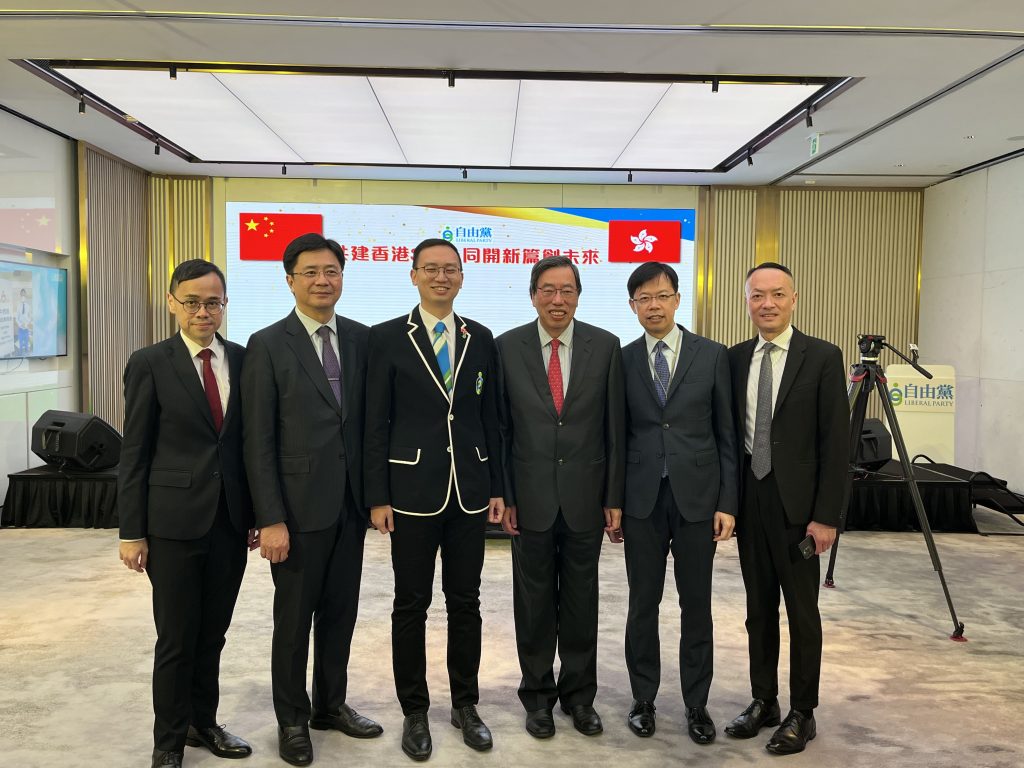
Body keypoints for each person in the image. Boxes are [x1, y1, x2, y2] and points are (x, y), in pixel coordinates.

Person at [241, 233, 381, 767]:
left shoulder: (363, 338)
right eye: (311, 272)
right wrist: (270, 518)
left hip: (350, 506)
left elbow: (370, 426)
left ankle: (330, 705)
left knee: (341, 614)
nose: (323, 281)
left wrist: (375, 497)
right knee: (294, 621)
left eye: (332, 271)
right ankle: (292, 719)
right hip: (296, 512)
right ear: (290, 280)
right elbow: (258, 440)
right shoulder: (267, 343)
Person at [364, 237, 505, 762]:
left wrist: (496, 486)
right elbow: (375, 422)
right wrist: (377, 495)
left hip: (469, 491)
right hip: (410, 493)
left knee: (466, 602)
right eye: (431, 269)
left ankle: (465, 704)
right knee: (411, 603)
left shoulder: (480, 337)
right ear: (414, 275)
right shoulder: (386, 338)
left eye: (450, 269)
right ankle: (415, 710)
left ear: (462, 276)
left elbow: (490, 417)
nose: (441, 277)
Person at [118, 259, 256, 768]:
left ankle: (204, 722)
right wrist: (131, 532)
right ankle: (168, 743)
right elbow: (135, 452)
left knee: (213, 634)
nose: (203, 312)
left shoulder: (243, 359)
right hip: (172, 524)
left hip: (230, 520)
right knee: (177, 638)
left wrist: (257, 511)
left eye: (213, 302)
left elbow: (247, 444)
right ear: (172, 302)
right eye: (193, 302)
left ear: (225, 304)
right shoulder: (150, 362)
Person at [496, 255, 625, 739]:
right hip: (528, 500)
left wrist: (613, 496)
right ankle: (537, 698)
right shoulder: (506, 347)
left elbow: (614, 429)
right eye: (548, 290)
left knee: (580, 602)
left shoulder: (605, 346)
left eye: (567, 290)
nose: (557, 299)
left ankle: (579, 697)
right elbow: (502, 430)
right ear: (533, 295)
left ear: (578, 296)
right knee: (533, 604)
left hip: (585, 499)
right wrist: (505, 495)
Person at [724, 262, 848, 755]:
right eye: (757, 295)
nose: (767, 303)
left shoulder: (822, 357)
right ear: (747, 302)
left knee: (801, 612)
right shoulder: (735, 359)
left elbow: (836, 444)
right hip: (750, 499)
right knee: (758, 609)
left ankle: (803, 711)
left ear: (794, 299)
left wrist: (827, 516)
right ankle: (764, 700)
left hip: (799, 508)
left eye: (777, 294)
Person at [620, 262, 738, 744]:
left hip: (698, 499)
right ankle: (643, 698)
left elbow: (727, 434)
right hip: (641, 500)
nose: (654, 305)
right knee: (642, 604)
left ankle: (696, 703)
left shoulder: (712, 355)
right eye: (644, 298)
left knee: (697, 604)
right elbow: (616, 435)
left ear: (677, 299)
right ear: (633, 306)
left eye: (662, 296)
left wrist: (727, 502)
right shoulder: (622, 359)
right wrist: (613, 501)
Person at [16, 288, 31, 354]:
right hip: (20, 328)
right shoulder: (18, 306)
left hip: (26, 328)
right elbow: (17, 318)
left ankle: (27, 353)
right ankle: (21, 352)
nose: (23, 296)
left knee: (27, 342)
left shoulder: (28, 306)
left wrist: (26, 324)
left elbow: (30, 317)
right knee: (20, 343)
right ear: (20, 295)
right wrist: (20, 324)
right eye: (22, 294)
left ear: (25, 295)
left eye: (24, 294)